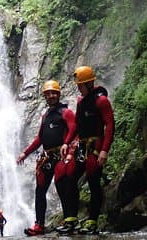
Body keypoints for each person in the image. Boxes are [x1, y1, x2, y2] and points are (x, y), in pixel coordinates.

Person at [17, 80, 76, 236]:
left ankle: (69, 219)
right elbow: (39, 138)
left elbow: (74, 129)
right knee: (40, 190)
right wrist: (25, 153)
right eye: (48, 94)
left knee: (61, 184)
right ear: (45, 96)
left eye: (53, 93)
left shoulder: (66, 112)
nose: (51, 96)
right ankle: (39, 225)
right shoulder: (45, 116)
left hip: (61, 154)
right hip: (47, 156)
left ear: (58, 94)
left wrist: (67, 144)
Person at [71, 66, 115, 234]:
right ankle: (72, 218)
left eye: (81, 85)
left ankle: (92, 220)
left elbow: (110, 125)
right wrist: (68, 142)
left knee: (93, 181)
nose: (79, 88)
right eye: (78, 85)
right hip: (82, 146)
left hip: (95, 145)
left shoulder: (101, 101)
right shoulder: (81, 102)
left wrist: (104, 150)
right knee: (71, 178)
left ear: (90, 83)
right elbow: (76, 124)